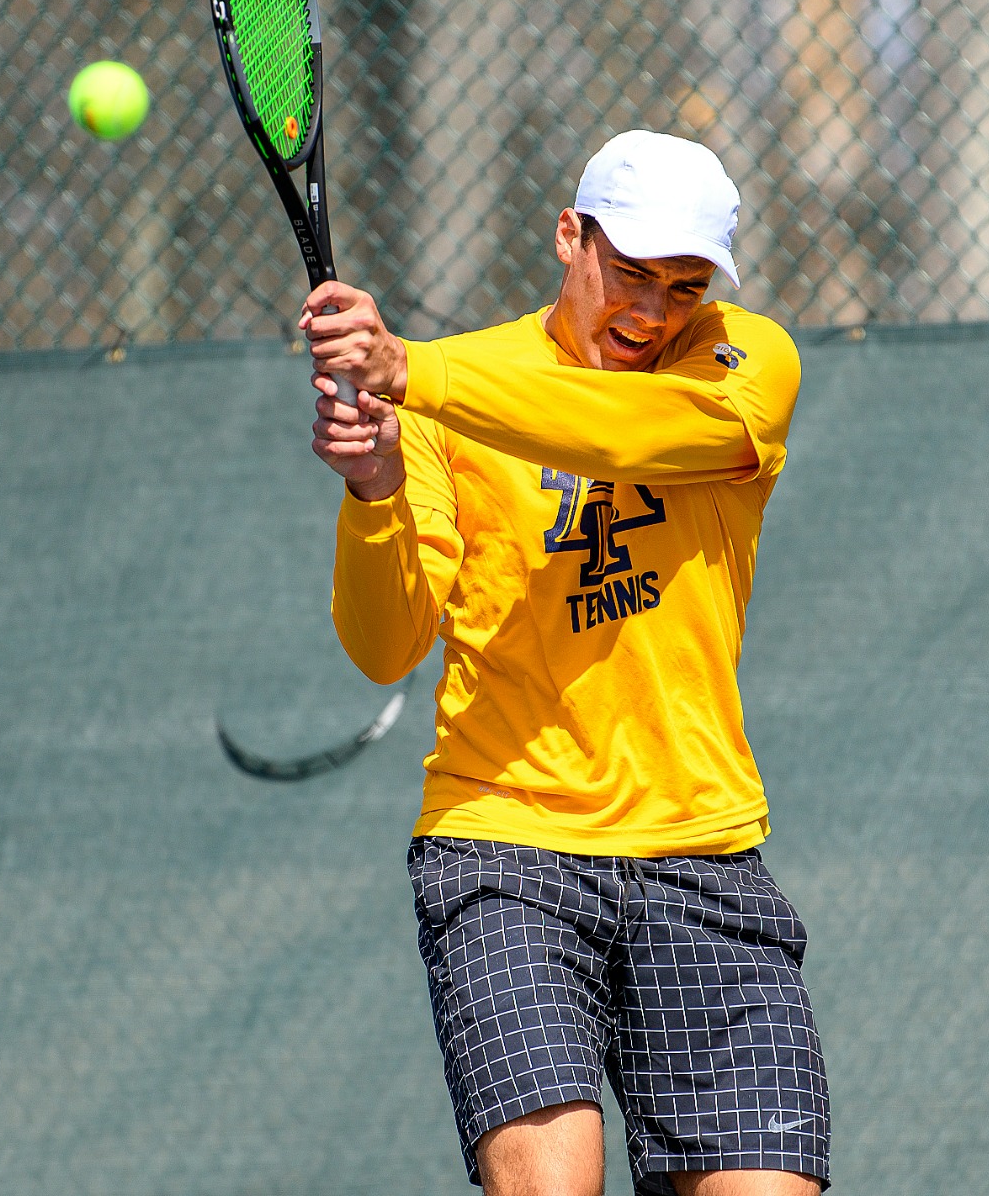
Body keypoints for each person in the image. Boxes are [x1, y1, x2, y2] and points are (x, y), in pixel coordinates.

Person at [300, 130, 828, 1196]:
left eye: (682, 287)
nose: (650, 311)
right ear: (566, 236)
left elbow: (627, 438)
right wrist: (373, 495)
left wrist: (413, 371)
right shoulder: (458, 397)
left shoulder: (745, 364)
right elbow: (384, 644)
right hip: (506, 853)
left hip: (704, 858)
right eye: (628, 272)